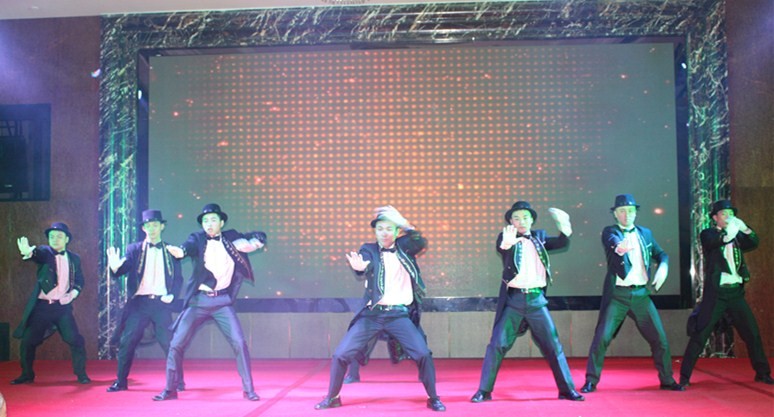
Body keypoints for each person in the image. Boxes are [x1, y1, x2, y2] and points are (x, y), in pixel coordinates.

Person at [314, 206, 446, 412]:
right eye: (380, 229)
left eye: (389, 229)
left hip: (399, 316)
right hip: (372, 316)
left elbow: (420, 241)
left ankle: (433, 398)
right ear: (375, 232)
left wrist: (404, 222)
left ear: (397, 231)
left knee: (423, 354)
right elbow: (365, 263)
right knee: (340, 355)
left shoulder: (406, 246)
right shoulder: (369, 249)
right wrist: (361, 268)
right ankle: (333, 397)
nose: (384, 233)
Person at [471, 201, 584, 403]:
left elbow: (560, 243)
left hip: (536, 300)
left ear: (532, 220)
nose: (521, 221)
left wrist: (564, 227)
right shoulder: (506, 236)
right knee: (497, 344)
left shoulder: (540, 237)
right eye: (516, 218)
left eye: (525, 217)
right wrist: (507, 243)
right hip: (514, 300)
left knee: (553, 346)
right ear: (511, 222)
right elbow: (502, 247)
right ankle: (484, 391)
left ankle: (567, 390)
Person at [152, 203, 266, 401]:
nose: (209, 224)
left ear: (221, 222)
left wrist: (257, 240)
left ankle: (249, 390)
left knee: (239, 343)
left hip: (222, 302)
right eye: (205, 221)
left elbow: (252, 239)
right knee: (176, 343)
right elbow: (187, 247)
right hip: (199, 301)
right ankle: (170, 389)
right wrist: (180, 252)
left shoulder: (231, 238)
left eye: (213, 220)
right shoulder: (197, 238)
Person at [580, 194, 683, 393]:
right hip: (618, 296)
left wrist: (663, 266)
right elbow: (613, 242)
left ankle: (667, 379)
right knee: (602, 338)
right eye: (622, 211)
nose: (626, 215)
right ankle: (591, 380)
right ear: (615, 214)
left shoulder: (645, 233)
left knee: (659, 339)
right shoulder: (610, 231)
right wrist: (621, 248)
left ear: (636, 213)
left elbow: (661, 254)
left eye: (630, 211)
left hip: (641, 295)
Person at [679, 200, 773, 387]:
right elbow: (718, 241)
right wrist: (732, 230)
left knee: (752, 333)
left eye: (731, 213)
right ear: (715, 218)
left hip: (735, 293)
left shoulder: (736, 235)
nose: (729, 217)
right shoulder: (708, 234)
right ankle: (684, 376)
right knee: (701, 333)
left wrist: (744, 228)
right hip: (717, 294)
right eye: (724, 214)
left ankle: (762, 373)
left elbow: (753, 241)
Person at [105, 209, 185, 392]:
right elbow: (122, 269)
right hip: (139, 303)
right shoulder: (134, 249)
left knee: (169, 343)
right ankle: (121, 381)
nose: (152, 229)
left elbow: (178, 278)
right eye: (148, 225)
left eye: (155, 225)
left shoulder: (171, 250)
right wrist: (114, 267)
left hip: (161, 303)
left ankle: (178, 381)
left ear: (162, 227)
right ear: (143, 228)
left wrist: (173, 294)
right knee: (127, 341)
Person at [11, 222, 90, 385]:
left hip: (62, 308)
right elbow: (38, 254)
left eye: (59, 236)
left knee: (74, 339)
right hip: (42, 307)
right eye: (52, 236)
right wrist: (30, 252)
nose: (55, 239)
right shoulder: (45, 252)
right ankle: (27, 374)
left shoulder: (74, 258)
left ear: (67, 239)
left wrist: (72, 294)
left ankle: (81, 373)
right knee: (27, 341)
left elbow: (79, 281)